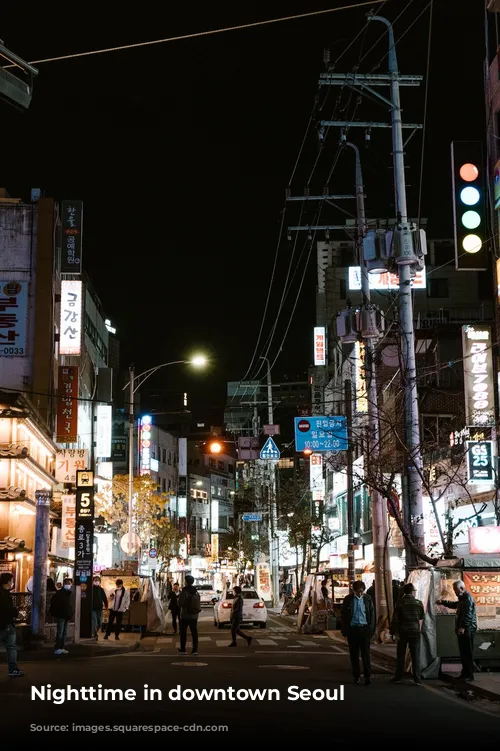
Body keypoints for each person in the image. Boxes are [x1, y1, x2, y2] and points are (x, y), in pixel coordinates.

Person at [437, 580, 477, 681]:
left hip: (468, 630)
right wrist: (443, 602)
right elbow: (455, 605)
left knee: (467, 653)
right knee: (463, 653)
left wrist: (463, 627)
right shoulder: (462, 599)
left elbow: (467, 615)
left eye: (456, 590)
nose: (455, 592)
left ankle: (469, 675)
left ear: (462, 588)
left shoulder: (468, 598)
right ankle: (465, 673)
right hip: (463, 630)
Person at [341, 580, 375, 685]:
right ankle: (356, 676)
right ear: (353, 590)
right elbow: (344, 616)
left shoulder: (368, 599)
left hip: (365, 629)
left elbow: (372, 614)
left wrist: (371, 629)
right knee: (354, 654)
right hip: (353, 629)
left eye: (361, 591)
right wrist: (345, 630)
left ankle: (367, 676)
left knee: (366, 654)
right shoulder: (348, 599)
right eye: (357, 592)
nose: (359, 594)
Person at [391, 582, 425, 685]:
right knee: (416, 655)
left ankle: (398, 677)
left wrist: (393, 632)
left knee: (401, 654)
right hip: (415, 631)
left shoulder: (400, 603)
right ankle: (417, 678)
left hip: (403, 632)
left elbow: (395, 619)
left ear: (404, 592)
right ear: (412, 592)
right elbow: (421, 616)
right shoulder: (419, 603)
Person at [0, 572, 24, 677]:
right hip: (7, 625)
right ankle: (13, 669)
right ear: (8, 581)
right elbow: (9, 610)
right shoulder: (6, 595)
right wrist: (17, 613)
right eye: (11, 580)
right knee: (11, 647)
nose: (12, 582)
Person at [177, 575, 201, 655]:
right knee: (194, 633)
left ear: (186, 582)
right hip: (194, 616)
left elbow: (180, 603)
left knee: (183, 633)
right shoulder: (196, 591)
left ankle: (183, 649)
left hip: (185, 615)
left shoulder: (184, 591)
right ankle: (195, 650)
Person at [50, 577, 73, 655]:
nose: (68, 585)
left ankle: (62, 647)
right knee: (60, 632)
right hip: (61, 615)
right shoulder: (59, 593)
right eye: (67, 583)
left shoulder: (69, 593)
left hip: (66, 615)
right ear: (64, 584)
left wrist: (70, 614)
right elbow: (55, 604)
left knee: (64, 632)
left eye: (69, 584)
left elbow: (69, 605)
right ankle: (57, 648)